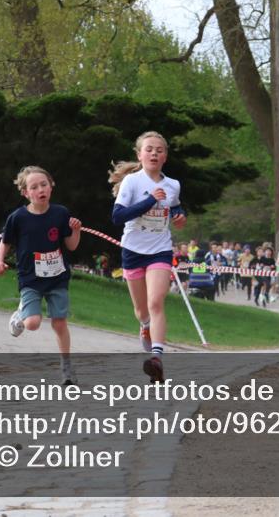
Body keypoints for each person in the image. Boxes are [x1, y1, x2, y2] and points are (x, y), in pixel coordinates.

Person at [108, 131, 187, 384]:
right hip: (132, 249)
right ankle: (144, 325)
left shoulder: (172, 184)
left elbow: (174, 206)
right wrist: (149, 200)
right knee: (142, 310)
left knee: (156, 302)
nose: (154, 153)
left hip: (160, 249)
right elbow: (118, 217)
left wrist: (179, 215)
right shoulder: (132, 182)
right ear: (139, 154)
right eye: (149, 149)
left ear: (165, 156)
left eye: (159, 150)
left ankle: (157, 358)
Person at [0, 166, 82, 385]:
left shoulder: (61, 213)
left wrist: (76, 230)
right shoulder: (18, 217)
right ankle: (21, 314)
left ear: (51, 186)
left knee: (59, 323)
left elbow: (71, 245)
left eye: (44, 184)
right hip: (30, 278)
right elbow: (5, 242)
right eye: (34, 187)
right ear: (26, 193)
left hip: (57, 277)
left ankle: (67, 368)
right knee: (33, 323)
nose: (40, 189)